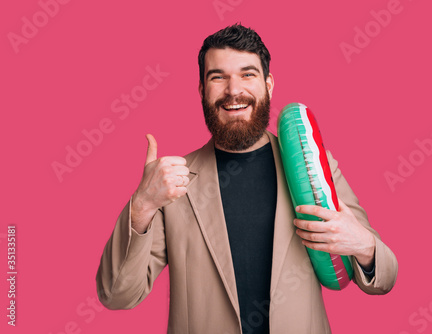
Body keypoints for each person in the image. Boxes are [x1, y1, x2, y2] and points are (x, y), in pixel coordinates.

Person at [96, 23, 398, 334]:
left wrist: (363, 245)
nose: (233, 90)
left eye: (247, 74)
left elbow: (383, 279)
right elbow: (117, 294)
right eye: (218, 77)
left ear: (268, 85)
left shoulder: (312, 163)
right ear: (201, 90)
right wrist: (143, 203)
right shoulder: (173, 183)